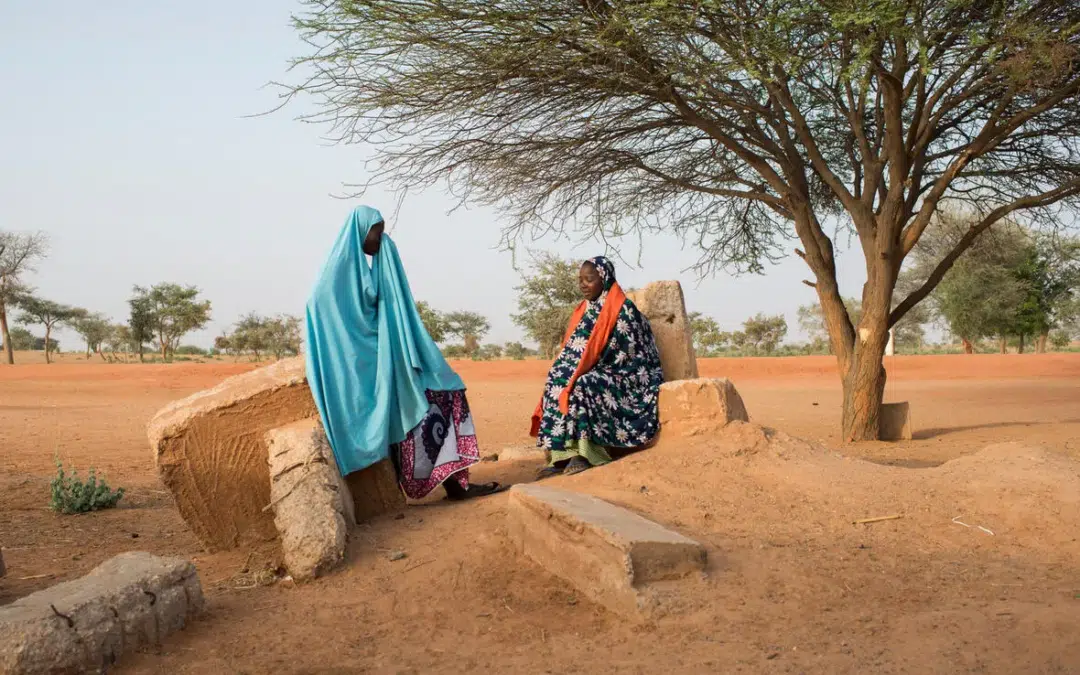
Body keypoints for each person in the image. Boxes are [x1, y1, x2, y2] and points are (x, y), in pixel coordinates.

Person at [305, 206, 504, 501]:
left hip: (386, 364)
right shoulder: (331, 281)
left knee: (446, 392)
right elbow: (328, 320)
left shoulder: (369, 272)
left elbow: (385, 316)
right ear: (360, 231)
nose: (380, 238)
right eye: (377, 231)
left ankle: (455, 483)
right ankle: (451, 485)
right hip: (362, 372)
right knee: (431, 400)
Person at [530, 256, 664, 476]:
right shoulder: (584, 311)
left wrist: (588, 367)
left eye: (589, 279)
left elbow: (629, 357)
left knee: (582, 383)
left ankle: (584, 454)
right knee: (558, 378)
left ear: (604, 278)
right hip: (597, 369)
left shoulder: (624, 311)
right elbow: (576, 349)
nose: (583, 284)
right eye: (580, 279)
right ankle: (560, 456)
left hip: (628, 377)